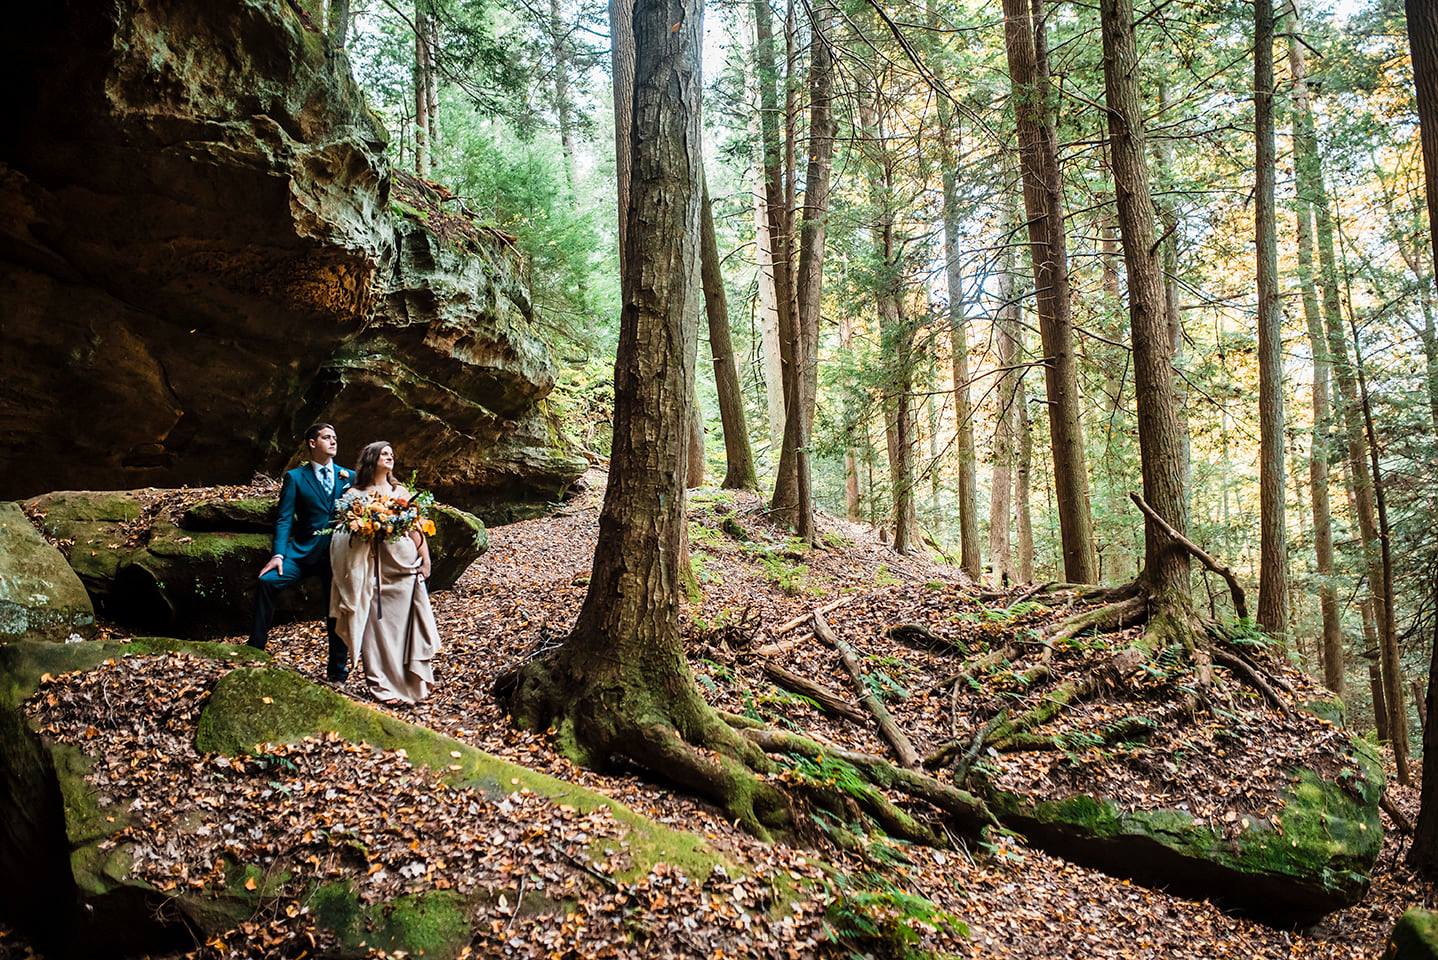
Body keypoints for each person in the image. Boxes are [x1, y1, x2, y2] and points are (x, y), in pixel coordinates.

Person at [329, 441, 441, 705]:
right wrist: (368, 527)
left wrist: (425, 560)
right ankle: (382, 687)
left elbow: (417, 529)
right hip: (373, 568)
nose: (390, 457)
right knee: (376, 629)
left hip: (404, 566)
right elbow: (342, 534)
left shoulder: (400, 490)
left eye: (392, 453)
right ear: (371, 458)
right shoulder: (355, 494)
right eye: (384, 453)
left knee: (404, 627)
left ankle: (412, 685)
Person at [247, 423, 353, 682]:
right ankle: (255, 648)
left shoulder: (350, 476)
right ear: (312, 443)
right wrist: (278, 555)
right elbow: (284, 519)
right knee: (267, 582)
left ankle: (337, 672)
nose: (333, 441)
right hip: (302, 551)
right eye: (327, 437)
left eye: (335, 437)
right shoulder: (295, 477)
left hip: (336, 556)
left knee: (336, 610)